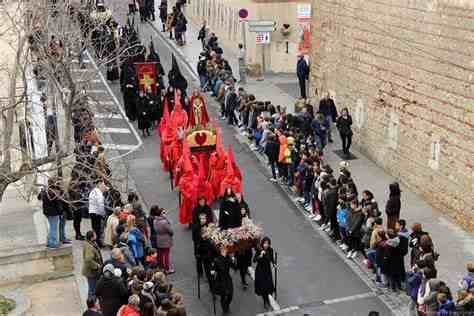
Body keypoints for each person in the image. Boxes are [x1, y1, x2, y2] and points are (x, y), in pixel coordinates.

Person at [38, 178, 70, 248]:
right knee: (53, 228)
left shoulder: (45, 191)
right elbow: (57, 204)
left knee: (52, 227)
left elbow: (39, 198)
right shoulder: (54, 192)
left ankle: (49, 242)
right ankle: (52, 243)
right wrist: (60, 212)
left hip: (47, 212)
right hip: (53, 212)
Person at [211, 246, 236, 314]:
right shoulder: (216, 260)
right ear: (220, 251)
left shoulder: (228, 258)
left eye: (225, 250)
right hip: (220, 279)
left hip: (227, 278)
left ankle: (227, 305)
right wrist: (212, 271)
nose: (224, 251)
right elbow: (213, 269)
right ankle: (224, 309)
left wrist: (234, 261)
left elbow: (234, 267)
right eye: (223, 250)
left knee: (230, 295)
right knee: (223, 295)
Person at [254, 237, 275, 310]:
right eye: (265, 243)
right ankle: (265, 301)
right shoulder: (259, 250)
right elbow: (254, 260)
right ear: (262, 243)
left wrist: (274, 263)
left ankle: (267, 299)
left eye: (267, 243)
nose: (266, 245)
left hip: (267, 270)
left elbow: (271, 258)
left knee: (269, 286)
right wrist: (260, 256)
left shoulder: (270, 250)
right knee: (263, 288)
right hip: (260, 271)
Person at [192, 213, 214, 282]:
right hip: (199, 248)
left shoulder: (207, 225)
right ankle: (200, 273)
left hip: (206, 247)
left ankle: (208, 275)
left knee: (207, 263)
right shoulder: (196, 227)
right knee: (199, 261)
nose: (203, 220)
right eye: (202, 218)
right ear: (199, 219)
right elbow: (194, 239)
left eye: (204, 218)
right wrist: (203, 237)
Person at [235, 200, 252, 288]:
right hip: (240, 245)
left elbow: (251, 229)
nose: (243, 211)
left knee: (246, 262)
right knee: (241, 264)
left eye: (244, 209)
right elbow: (234, 231)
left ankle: (245, 272)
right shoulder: (236, 220)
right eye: (241, 210)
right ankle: (243, 279)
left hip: (247, 245)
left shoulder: (248, 219)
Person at [82, 230, 104, 298]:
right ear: (91, 238)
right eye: (95, 235)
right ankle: (91, 303)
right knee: (92, 289)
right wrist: (97, 266)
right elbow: (88, 260)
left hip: (94, 272)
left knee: (94, 287)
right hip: (91, 272)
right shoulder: (89, 247)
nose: (96, 236)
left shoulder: (91, 243)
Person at [154, 208, 175, 274]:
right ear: (161, 214)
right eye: (164, 212)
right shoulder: (164, 222)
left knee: (161, 254)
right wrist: (166, 218)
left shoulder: (155, 221)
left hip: (159, 238)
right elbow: (170, 230)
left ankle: (162, 267)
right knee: (166, 255)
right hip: (166, 239)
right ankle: (167, 269)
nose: (165, 213)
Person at [89, 181, 108, 247]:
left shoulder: (93, 191)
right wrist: (103, 213)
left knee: (94, 228)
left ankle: (94, 241)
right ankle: (98, 243)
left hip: (91, 212)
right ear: (102, 187)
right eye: (104, 189)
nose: (104, 191)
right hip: (97, 213)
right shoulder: (99, 194)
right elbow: (101, 205)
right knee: (98, 229)